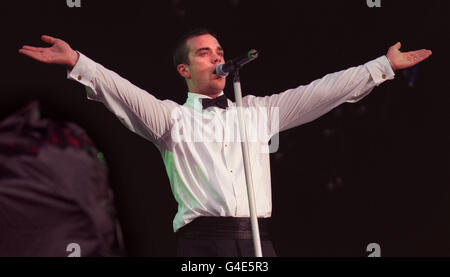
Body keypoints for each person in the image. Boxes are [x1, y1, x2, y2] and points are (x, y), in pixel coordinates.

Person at [19, 29, 432, 257]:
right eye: (204, 53)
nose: (217, 57)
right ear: (184, 69)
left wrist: (382, 67)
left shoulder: (259, 111)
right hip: (206, 243)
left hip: (258, 240)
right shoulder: (171, 119)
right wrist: (77, 62)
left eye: (219, 50)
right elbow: (121, 91)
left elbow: (321, 92)